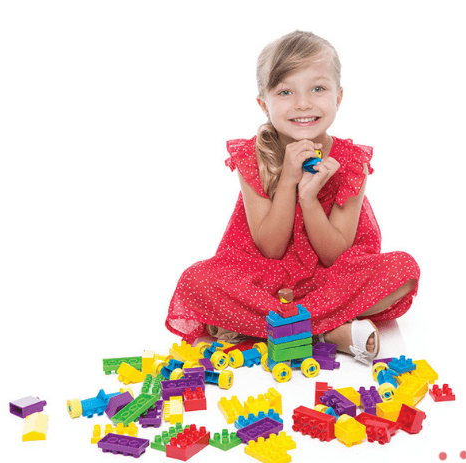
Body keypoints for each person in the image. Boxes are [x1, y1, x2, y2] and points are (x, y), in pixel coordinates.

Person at [165, 31, 420, 364]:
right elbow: (270, 248)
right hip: (264, 277)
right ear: (264, 104)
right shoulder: (253, 156)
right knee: (195, 281)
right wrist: (287, 179)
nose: (303, 104)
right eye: (285, 92)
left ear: (339, 97)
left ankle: (280, 328)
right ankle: (327, 331)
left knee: (404, 269)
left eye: (318, 89)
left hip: (330, 280)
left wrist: (310, 200)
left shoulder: (350, 161)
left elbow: (335, 255)